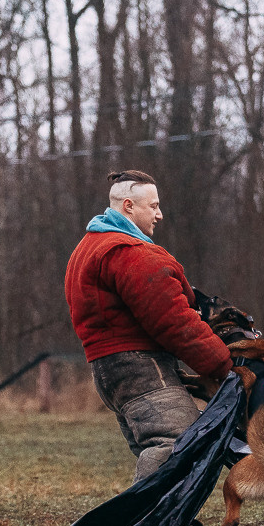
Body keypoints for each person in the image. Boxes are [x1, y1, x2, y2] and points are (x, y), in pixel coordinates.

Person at [65, 170, 233, 482]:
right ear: (128, 206)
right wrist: (224, 365)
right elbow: (175, 322)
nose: (160, 214)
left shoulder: (88, 247)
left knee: (165, 451)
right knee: (178, 444)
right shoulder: (129, 253)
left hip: (109, 370)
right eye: (153, 206)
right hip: (139, 368)